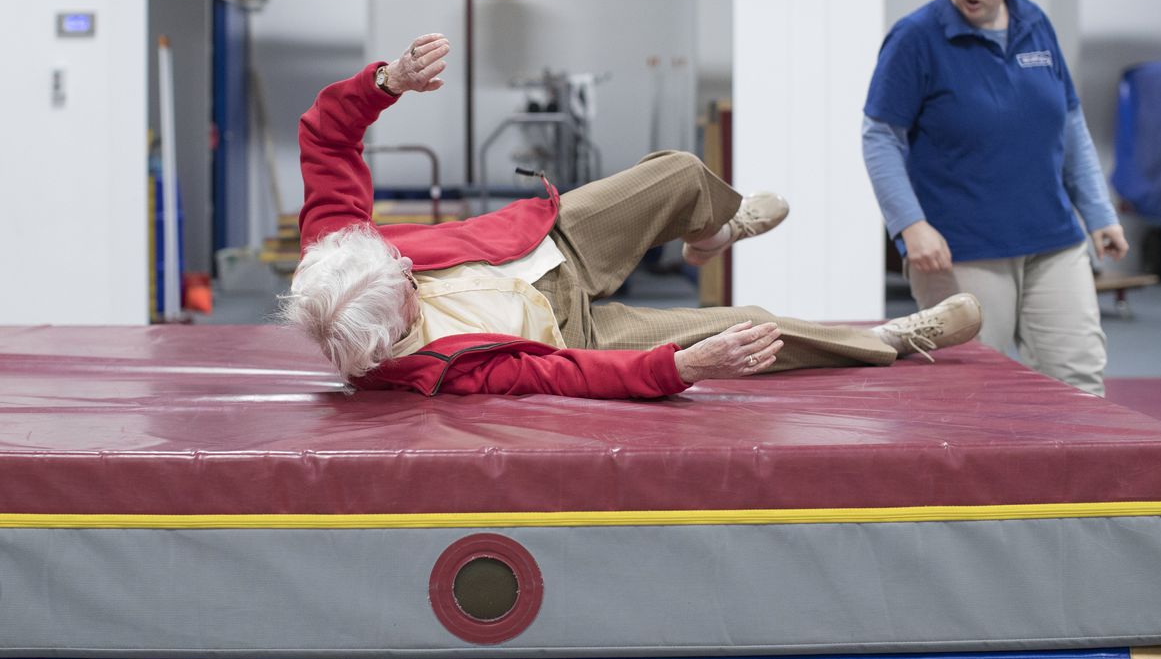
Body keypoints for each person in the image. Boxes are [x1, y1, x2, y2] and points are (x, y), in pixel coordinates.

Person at [281, 33, 983, 400]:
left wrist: (387, 82)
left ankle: (712, 231)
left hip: (548, 244)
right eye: (404, 284)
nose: (406, 264)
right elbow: (562, 378)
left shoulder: (338, 245)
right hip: (575, 332)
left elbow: (324, 134)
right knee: (750, 332)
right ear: (394, 328)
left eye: (393, 257)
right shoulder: (430, 373)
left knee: (677, 170)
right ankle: (894, 339)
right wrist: (681, 368)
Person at [861, 0, 1127, 397]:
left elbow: (1069, 122)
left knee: (1080, 381)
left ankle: (1067, 478)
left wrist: (1098, 211)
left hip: (1053, 242)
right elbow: (880, 137)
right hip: (962, 252)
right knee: (974, 394)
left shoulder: (1035, 24)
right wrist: (908, 224)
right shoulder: (916, 38)